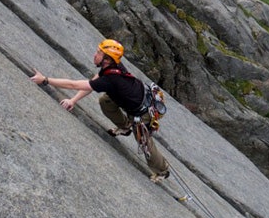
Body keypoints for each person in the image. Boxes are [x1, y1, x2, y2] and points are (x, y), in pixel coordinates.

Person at [31, 39, 170, 181]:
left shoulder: (112, 79)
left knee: (144, 142)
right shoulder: (112, 67)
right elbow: (92, 83)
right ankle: (125, 126)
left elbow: (74, 85)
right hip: (136, 102)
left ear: (107, 59)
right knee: (105, 100)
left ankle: (162, 170)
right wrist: (73, 100)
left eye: (99, 53)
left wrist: (45, 80)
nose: (94, 55)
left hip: (143, 113)